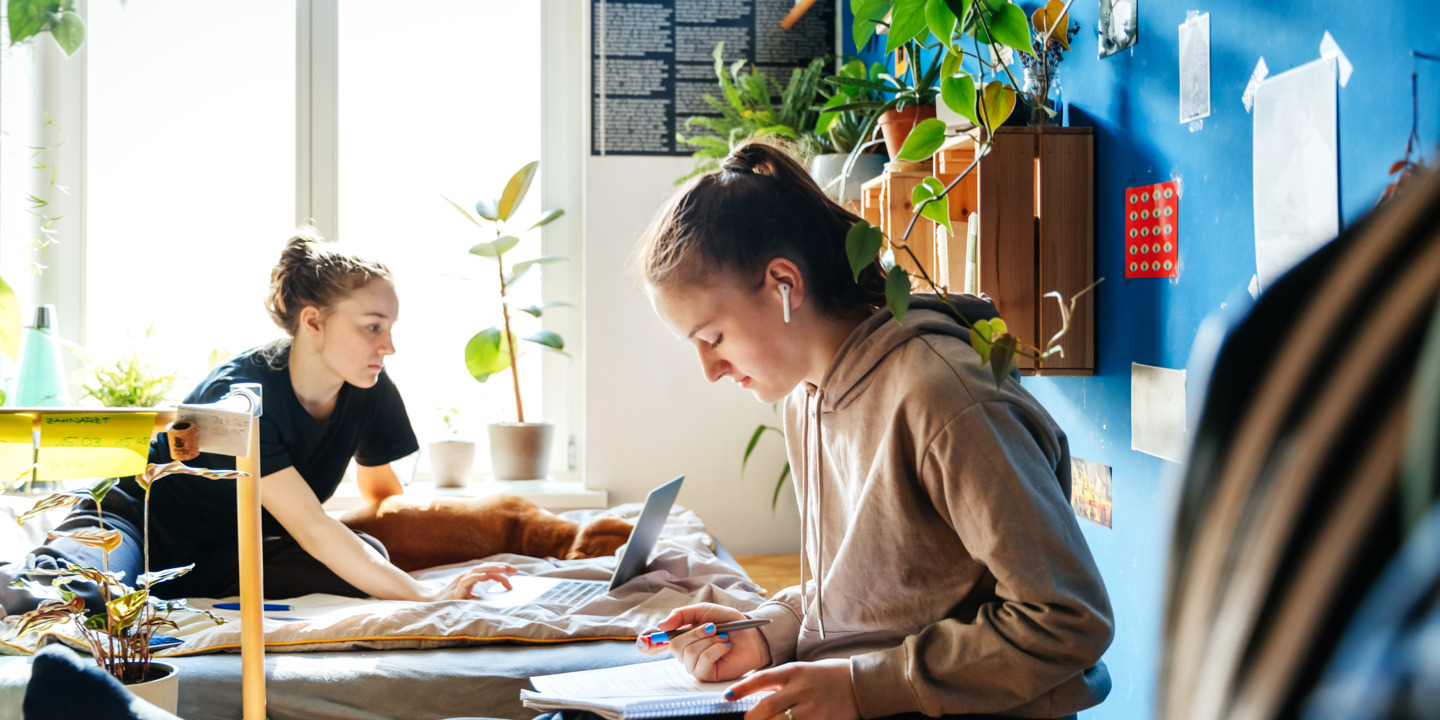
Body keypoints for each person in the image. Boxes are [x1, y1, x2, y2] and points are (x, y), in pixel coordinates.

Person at [633, 142, 1114, 720]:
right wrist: (768, 632)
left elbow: (1067, 619)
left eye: (713, 338)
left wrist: (863, 687)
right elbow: (878, 594)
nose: (711, 371)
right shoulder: (806, 397)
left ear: (784, 283)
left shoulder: (943, 398)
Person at [0, 227, 516, 614]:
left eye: (391, 327)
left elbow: (381, 496)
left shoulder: (369, 387)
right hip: (133, 525)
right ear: (313, 321)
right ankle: (33, 576)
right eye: (373, 327)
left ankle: (166, 594)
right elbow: (312, 526)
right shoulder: (241, 395)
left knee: (367, 554)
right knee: (74, 594)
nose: (389, 345)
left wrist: (427, 560)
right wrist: (428, 595)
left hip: (226, 552)